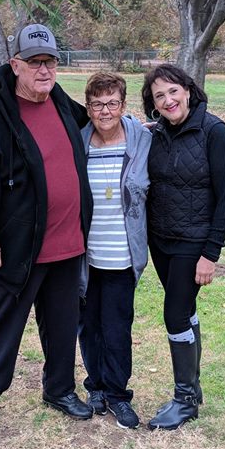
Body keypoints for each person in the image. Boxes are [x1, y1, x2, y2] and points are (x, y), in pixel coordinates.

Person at [0, 23, 94, 438]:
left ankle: (59, 390)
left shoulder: (62, 105)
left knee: (63, 324)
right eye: (34, 62)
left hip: (66, 244)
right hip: (14, 249)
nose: (44, 70)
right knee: (0, 325)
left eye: (50, 61)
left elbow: (100, 126)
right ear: (15, 65)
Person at [141, 64, 225, 431]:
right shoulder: (157, 133)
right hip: (161, 240)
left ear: (188, 89)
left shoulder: (213, 131)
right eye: (159, 97)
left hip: (193, 242)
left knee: (175, 313)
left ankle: (184, 399)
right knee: (185, 309)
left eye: (173, 92)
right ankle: (193, 390)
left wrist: (210, 253)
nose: (168, 101)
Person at [78, 73, 151, 429]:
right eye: (97, 104)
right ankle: (95, 388)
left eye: (112, 103)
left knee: (117, 328)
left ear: (123, 106)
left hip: (123, 255)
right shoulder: (78, 144)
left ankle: (118, 395)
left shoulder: (142, 141)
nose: (105, 111)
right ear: (88, 107)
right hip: (86, 258)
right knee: (89, 328)